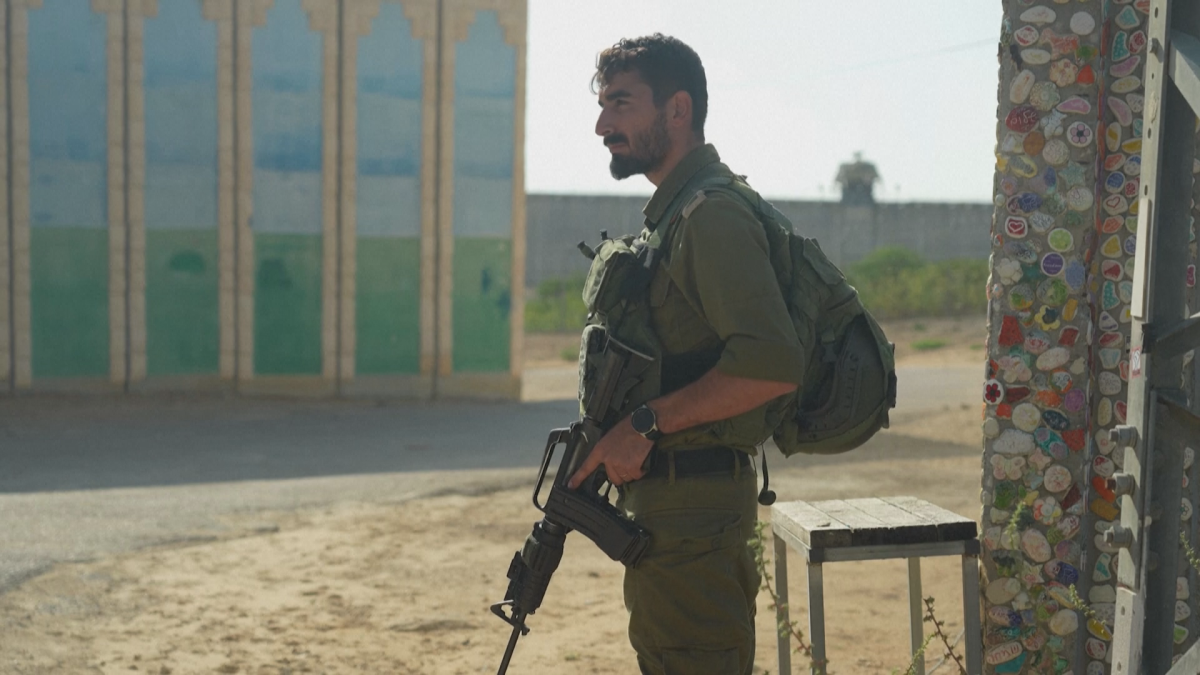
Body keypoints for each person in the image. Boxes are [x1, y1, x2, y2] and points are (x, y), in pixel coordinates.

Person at [565, 34, 807, 675]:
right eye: (602, 105)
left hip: (694, 512)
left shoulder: (708, 215)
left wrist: (642, 425)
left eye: (620, 104)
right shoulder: (674, 214)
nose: (601, 124)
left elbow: (770, 364)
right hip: (675, 511)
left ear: (676, 109)